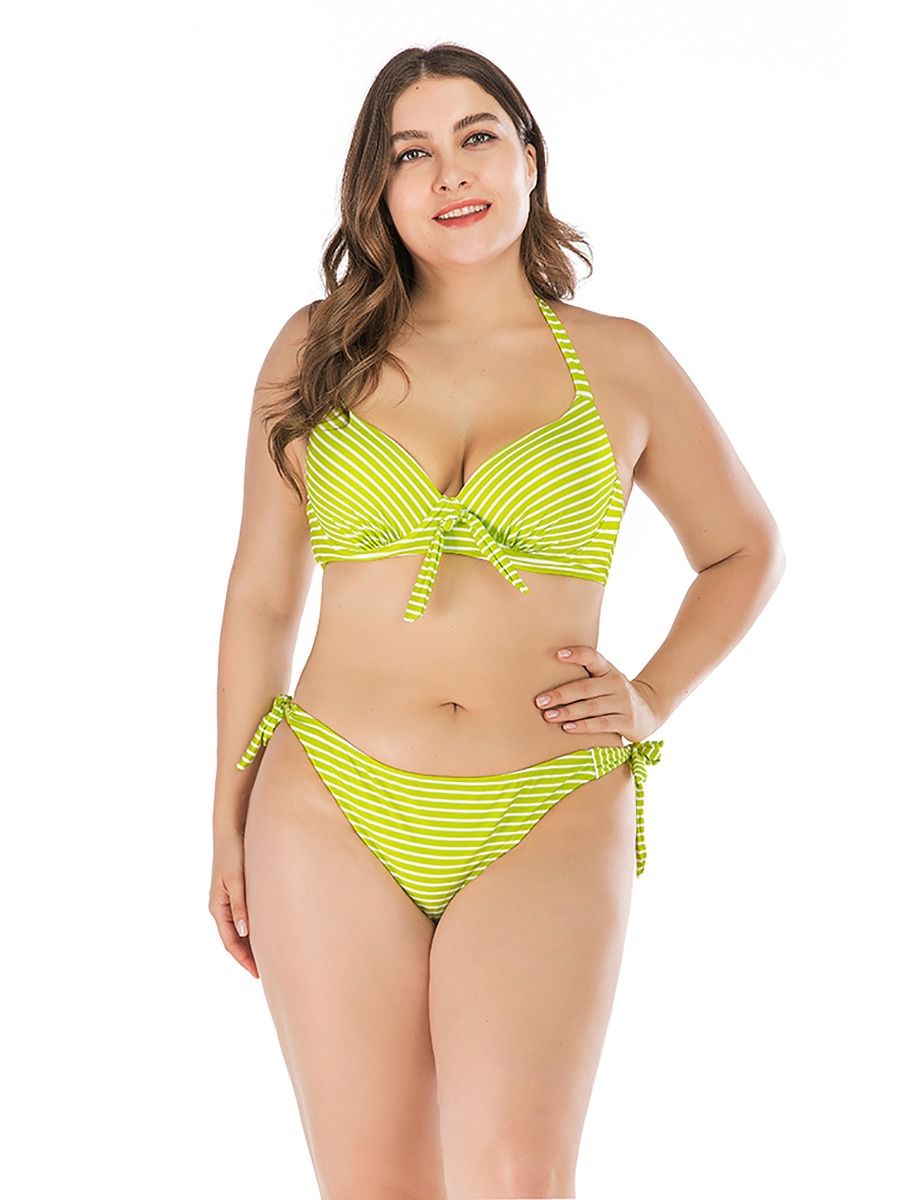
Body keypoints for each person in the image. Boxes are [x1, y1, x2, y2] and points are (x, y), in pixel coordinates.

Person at [208, 43, 786, 1200]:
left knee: (520, 1173)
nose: (450, 173)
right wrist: (225, 821)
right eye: (410, 153)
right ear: (377, 189)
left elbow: (744, 549)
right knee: (375, 1183)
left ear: (528, 157)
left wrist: (652, 696)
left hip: (549, 806)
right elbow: (262, 595)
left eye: (476, 137)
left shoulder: (622, 362)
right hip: (328, 805)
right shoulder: (317, 350)